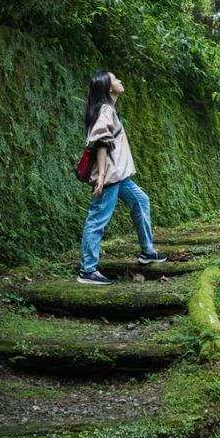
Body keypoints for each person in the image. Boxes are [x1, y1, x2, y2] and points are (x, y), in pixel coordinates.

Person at [78, 70, 166, 284]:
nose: (120, 80)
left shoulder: (109, 110)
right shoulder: (105, 110)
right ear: (109, 88)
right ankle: (87, 270)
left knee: (141, 200)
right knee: (97, 219)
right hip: (109, 177)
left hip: (119, 175)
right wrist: (101, 177)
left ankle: (147, 251)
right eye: (115, 79)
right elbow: (101, 143)